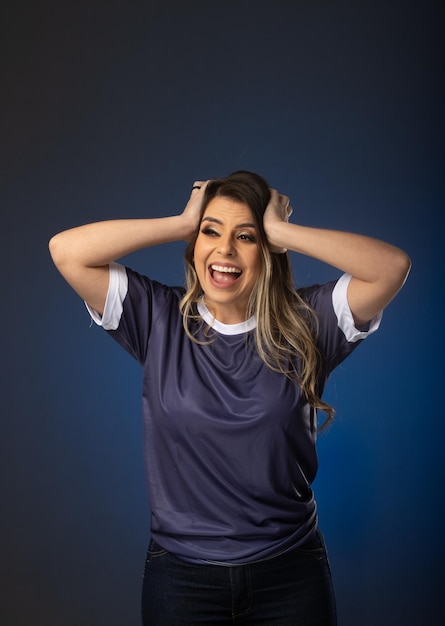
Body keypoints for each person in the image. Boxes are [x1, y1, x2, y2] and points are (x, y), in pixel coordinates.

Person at [49, 170, 410, 625]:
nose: (225, 250)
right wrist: (179, 222)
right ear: (194, 244)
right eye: (210, 231)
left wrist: (281, 231)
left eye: (246, 236)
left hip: (290, 572)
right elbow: (66, 251)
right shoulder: (158, 318)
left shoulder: (307, 323)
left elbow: (391, 267)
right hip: (181, 576)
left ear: (268, 252)